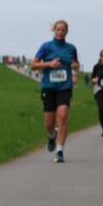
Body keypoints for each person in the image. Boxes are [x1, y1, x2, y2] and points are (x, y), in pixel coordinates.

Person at [30, 21, 80, 162]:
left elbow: (76, 65)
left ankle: (60, 151)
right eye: (58, 29)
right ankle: (52, 135)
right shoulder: (46, 47)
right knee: (49, 123)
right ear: (54, 30)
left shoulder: (71, 48)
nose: (60, 32)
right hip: (49, 87)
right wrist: (49, 64)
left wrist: (75, 65)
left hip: (65, 87)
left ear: (66, 31)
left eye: (63, 30)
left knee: (63, 116)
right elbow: (33, 64)